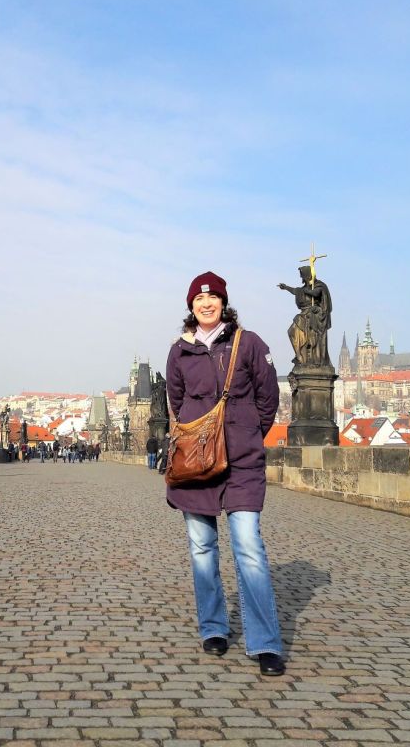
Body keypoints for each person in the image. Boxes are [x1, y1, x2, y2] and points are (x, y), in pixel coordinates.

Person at [166, 271, 285, 676]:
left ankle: (265, 642)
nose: (206, 304)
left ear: (223, 303)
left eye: (213, 298)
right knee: (202, 548)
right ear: (191, 305)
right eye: (199, 299)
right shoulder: (179, 352)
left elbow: (268, 398)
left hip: (242, 462)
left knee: (248, 547)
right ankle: (213, 627)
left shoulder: (248, 344)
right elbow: (178, 404)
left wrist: (245, 432)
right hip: (196, 463)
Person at [278, 265, 332, 367]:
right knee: (291, 332)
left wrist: (305, 290)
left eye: (303, 276)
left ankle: (311, 358)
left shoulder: (319, 285)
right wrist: (285, 287)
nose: (302, 279)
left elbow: (316, 293)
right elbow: (295, 291)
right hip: (304, 314)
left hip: (314, 315)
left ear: (308, 276)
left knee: (309, 337)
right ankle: (300, 356)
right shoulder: (303, 289)